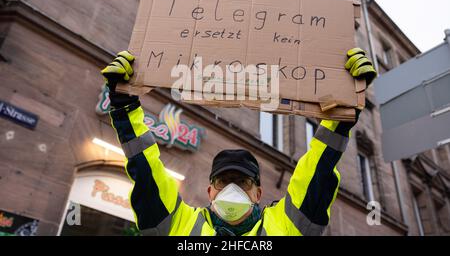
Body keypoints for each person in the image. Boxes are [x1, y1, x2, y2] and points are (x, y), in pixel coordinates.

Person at [101, 48, 376, 236]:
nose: (232, 189)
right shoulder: (178, 224)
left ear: (258, 193)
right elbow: (146, 171)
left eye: (243, 182)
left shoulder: (287, 225)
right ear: (210, 191)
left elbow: (317, 171)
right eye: (224, 181)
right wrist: (125, 108)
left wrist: (340, 116)